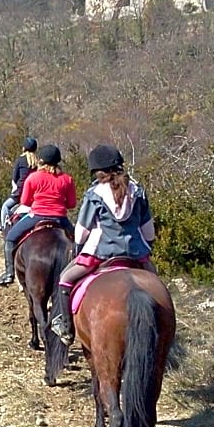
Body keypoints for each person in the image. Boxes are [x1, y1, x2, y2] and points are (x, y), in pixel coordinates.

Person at [50, 144, 156, 345]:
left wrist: (78, 247)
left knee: (65, 278)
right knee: (156, 284)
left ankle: (66, 327)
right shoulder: (138, 190)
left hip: (100, 253)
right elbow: (148, 230)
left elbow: (81, 231)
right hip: (135, 254)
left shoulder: (95, 194)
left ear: (98, 171)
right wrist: (144, 247)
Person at [0, 144, 77, 287]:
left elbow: (25, 201)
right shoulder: (67, 179)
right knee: (78, 243)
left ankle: (9, 273)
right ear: (58, 161)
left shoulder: (33, 178)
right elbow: (71, 204)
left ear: (41, 161)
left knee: (10, 238)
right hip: (60, 219)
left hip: (37, 216)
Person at [0, 136, 38, 233]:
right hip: (35, 193)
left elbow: (14, 179)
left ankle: (4, 228)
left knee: (5, 207)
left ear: (24, 148)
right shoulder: (39, 162)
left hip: (20, 192)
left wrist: (14, 190)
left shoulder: (20, 160)